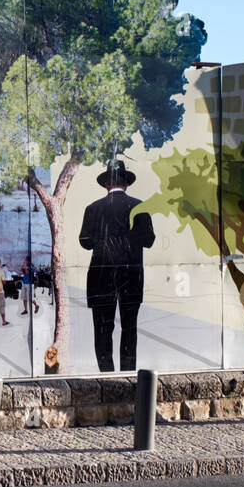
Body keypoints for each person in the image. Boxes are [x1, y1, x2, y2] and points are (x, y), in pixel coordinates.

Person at [79, 159, 155, 372]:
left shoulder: (93, 208)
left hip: (100, 277)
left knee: (102, 330)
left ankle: (106, 375)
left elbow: (85, 242)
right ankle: (128, 375)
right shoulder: (139, 207)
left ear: (106, 185)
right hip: (131, 276)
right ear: (127, 184)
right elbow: (149, 240)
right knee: (129, 328)